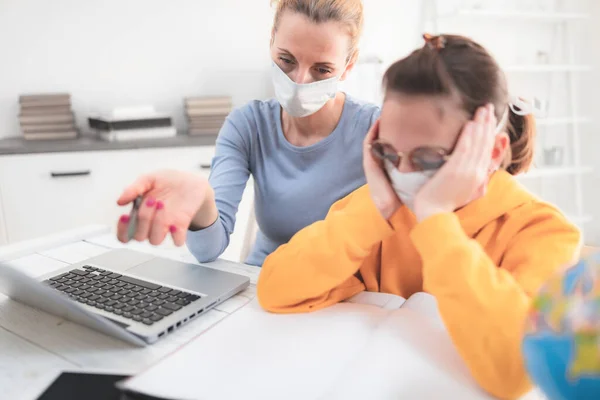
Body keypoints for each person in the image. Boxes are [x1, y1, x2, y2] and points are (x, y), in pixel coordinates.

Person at [256, 34, 582, 399]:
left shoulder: (543, 231)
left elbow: (514, 371)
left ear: (491, 152)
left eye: (427, 158)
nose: (405, 173)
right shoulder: (379, 207)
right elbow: (276, 289)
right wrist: (375, 209)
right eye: (389, 154)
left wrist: (436, 220)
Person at [115, 0, 379, 266]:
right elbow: (208, 251)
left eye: (322, 70)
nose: (299, 81)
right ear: (271, 42)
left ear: (348, 64)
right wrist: (202, 197)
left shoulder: (376, 130)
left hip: (349, 293)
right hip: (263, 285)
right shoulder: (248, 125)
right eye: (286, 60)